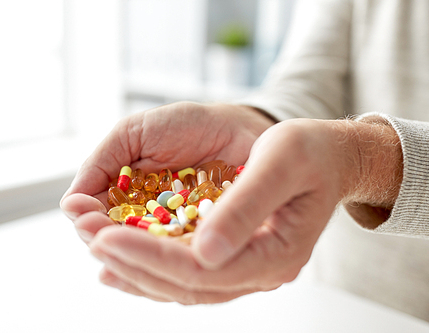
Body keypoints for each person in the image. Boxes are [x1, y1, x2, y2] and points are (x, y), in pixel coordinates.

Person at [60, 0, 429, 321]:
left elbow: (347, 155)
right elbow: (310, 78)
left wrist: (364, 161)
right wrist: (259, 122)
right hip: (338, 300)